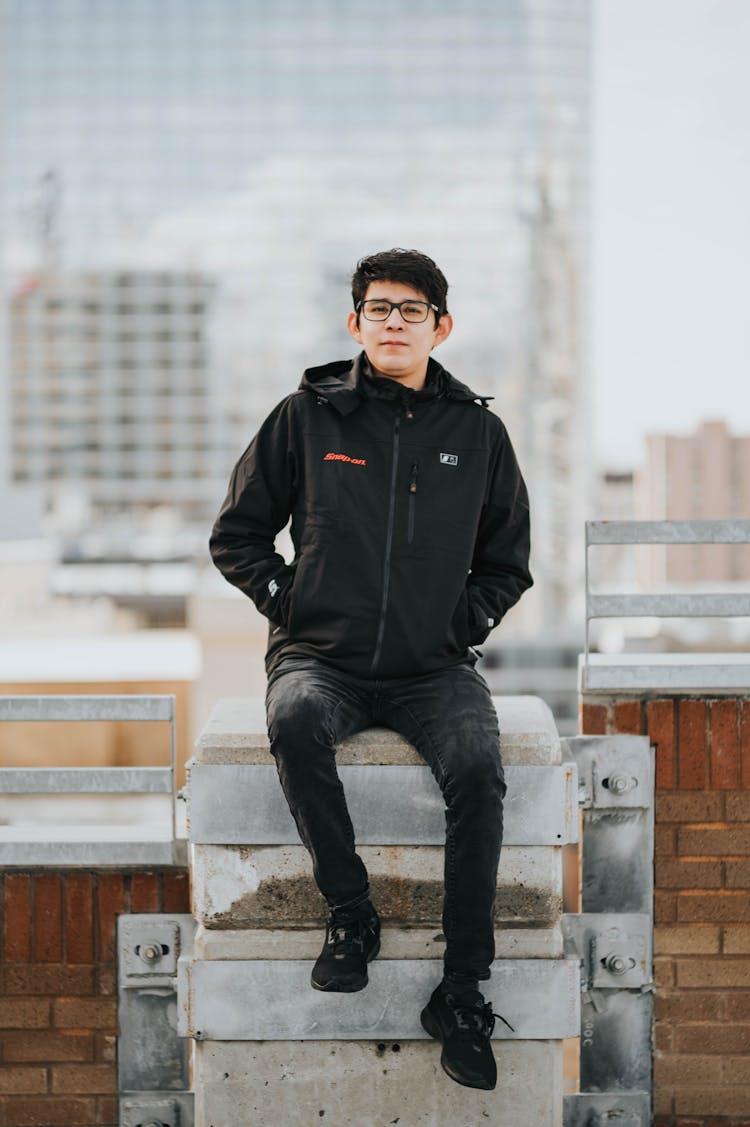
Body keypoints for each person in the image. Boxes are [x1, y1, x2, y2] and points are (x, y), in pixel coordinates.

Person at [209, 247, 533, 1091]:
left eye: (412, 310)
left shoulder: (479, 433)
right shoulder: (305, 417)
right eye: (380, 308)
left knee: (477, 768)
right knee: (292, 721)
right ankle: (351, 913)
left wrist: (460, 621)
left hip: (433, 667)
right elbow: (236, 536)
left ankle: (461, 987)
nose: (395, 321)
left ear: (441, 326)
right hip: (323, 656)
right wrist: (293, 603)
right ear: (355, 322)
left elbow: (508, 561)